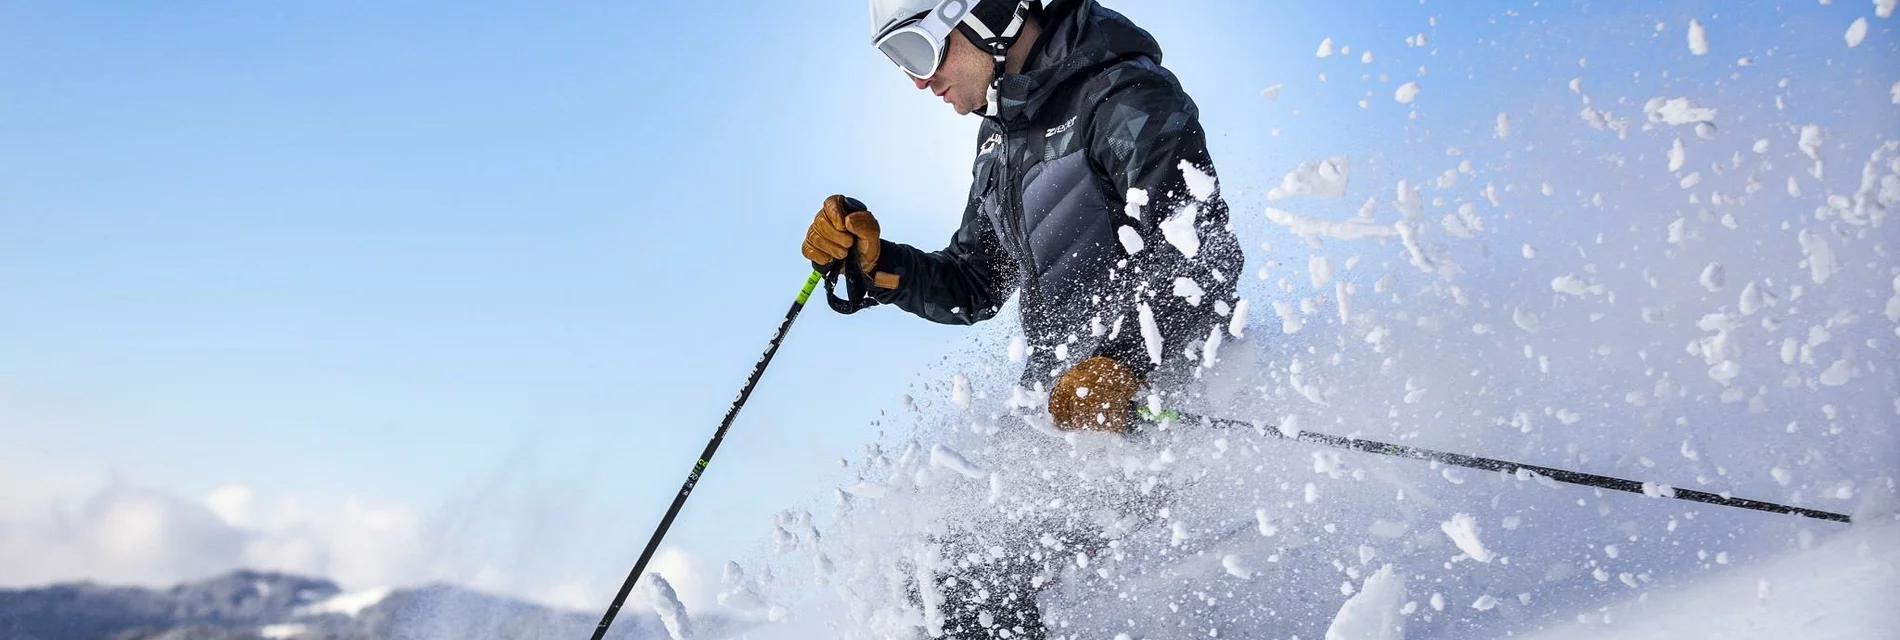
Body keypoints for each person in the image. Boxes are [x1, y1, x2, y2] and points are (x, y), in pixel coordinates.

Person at [801, 0, 1243, 636]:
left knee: (968, 586)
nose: (920, 81)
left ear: (987, 14)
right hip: (1067, 428)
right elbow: (975, 283)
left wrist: (1120, 364)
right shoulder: (1000, 137)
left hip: (1160, 417)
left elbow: (1200, 252)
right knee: (924, 577)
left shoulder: (1121, 95)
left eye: (919, 50)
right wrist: (877, 264)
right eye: (899, 61)